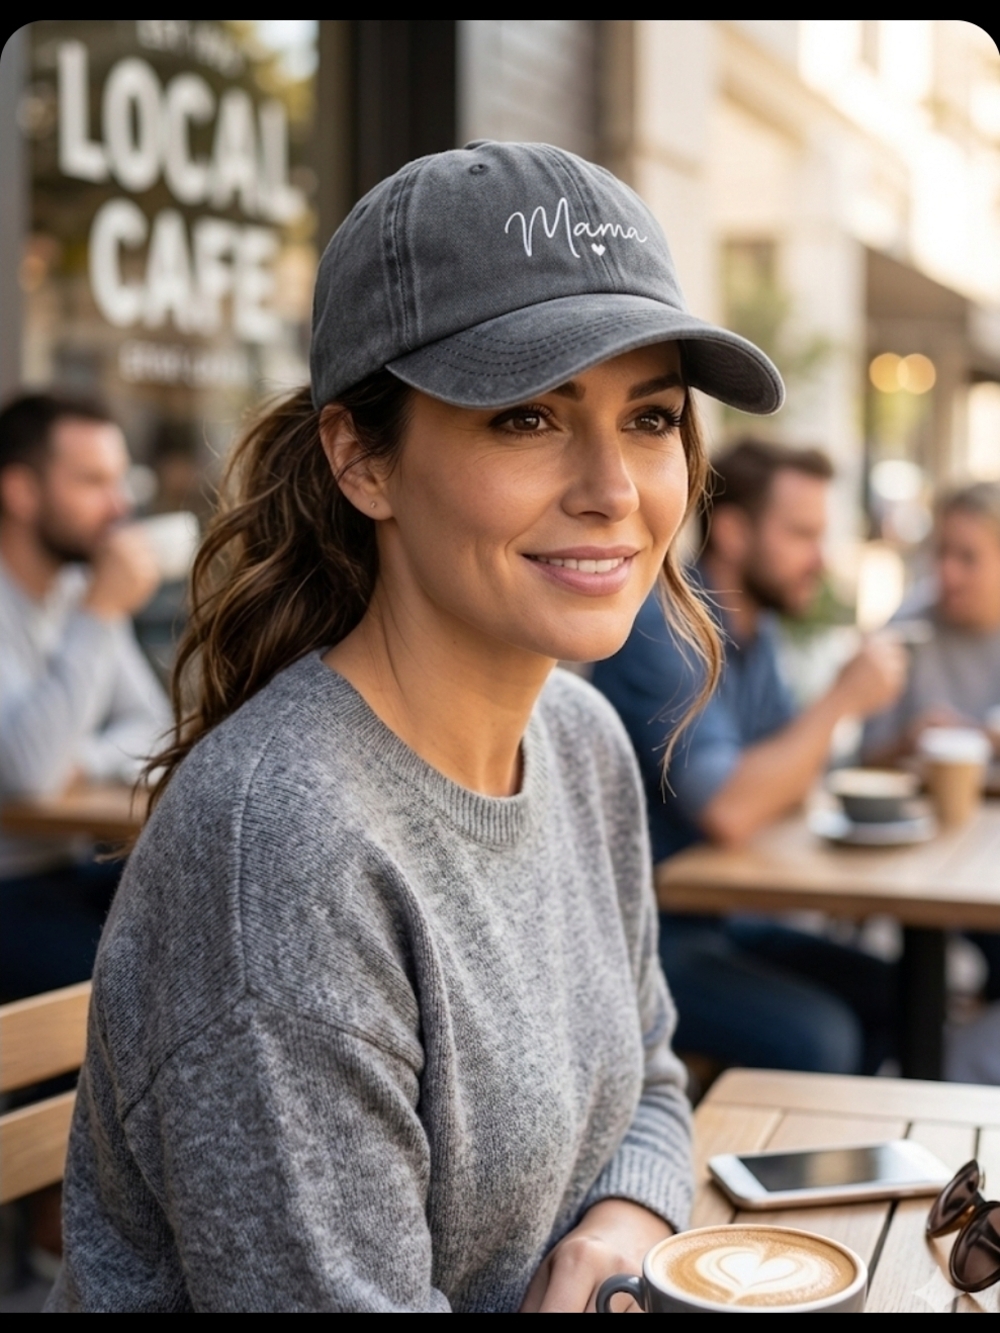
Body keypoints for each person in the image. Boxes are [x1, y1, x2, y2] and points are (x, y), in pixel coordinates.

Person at [50, 142, 785, 1313]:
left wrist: (619, 1225)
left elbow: (648, 1076)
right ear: (360, 459)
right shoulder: (287, 851)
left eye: (648, 418)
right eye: (527, 417)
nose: (613, 487)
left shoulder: (582, 740)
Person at [593, 439, 907, 1074]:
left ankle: (869, 1167)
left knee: (900, 994)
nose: (820, 559)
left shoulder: (754, 633)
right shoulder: (666, 624)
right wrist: (843, 700)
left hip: (724, 918)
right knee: (821, 1037)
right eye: (802, 535)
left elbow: (793, 778)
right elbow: (733, 809)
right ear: (733, 532)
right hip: (649, 937)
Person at [0, 393, 169, 1001]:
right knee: (140, 989)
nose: (119, 506)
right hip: (9, 885)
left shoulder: (76, 589)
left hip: (71, 867)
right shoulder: (92, 598)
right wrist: (101, 610)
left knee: (207, 928)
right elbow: (28, 773)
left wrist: (89, 761)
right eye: (94, 482)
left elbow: (158, 725)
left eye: (119, 481)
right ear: (21, 491)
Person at [863, 479, 1000, 1003]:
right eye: (941, 553)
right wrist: (906, 743)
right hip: (921, 859)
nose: (948, 573)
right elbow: (860, 766)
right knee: (909, 987)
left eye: (968, 558)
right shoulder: (907, 628)